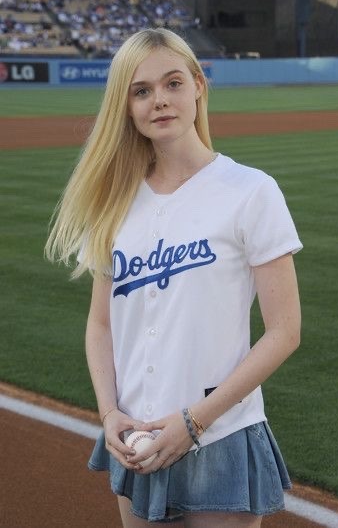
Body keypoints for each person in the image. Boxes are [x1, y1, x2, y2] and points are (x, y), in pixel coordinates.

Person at [45, 27, 302, 528]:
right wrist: (108, 413)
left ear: (198, 86)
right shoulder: (114, 201)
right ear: (126, 105)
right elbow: (101, 325)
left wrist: (193, 423)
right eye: (141, 91)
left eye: (172, 83)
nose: (158, 100)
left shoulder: (250, 191)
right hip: (135, 435)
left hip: (220, 433)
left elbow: (284, 331)